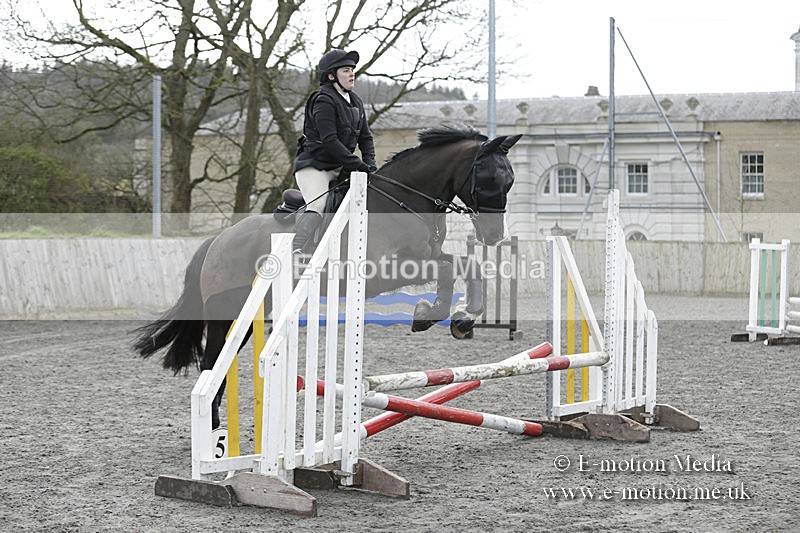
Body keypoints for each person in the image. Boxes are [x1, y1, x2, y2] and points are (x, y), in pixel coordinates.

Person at [292, 49, 377, 253]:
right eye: (346, 70)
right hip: (315, 166)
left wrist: (371, 164)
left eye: (352, 70)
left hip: (342, 166)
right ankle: (295, 250)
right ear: (331, 76)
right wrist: (358, 164)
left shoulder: (355, 101)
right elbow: (330, 141)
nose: (352, 74)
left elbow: (365, 138)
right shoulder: (323, 100)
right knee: (319, 205)